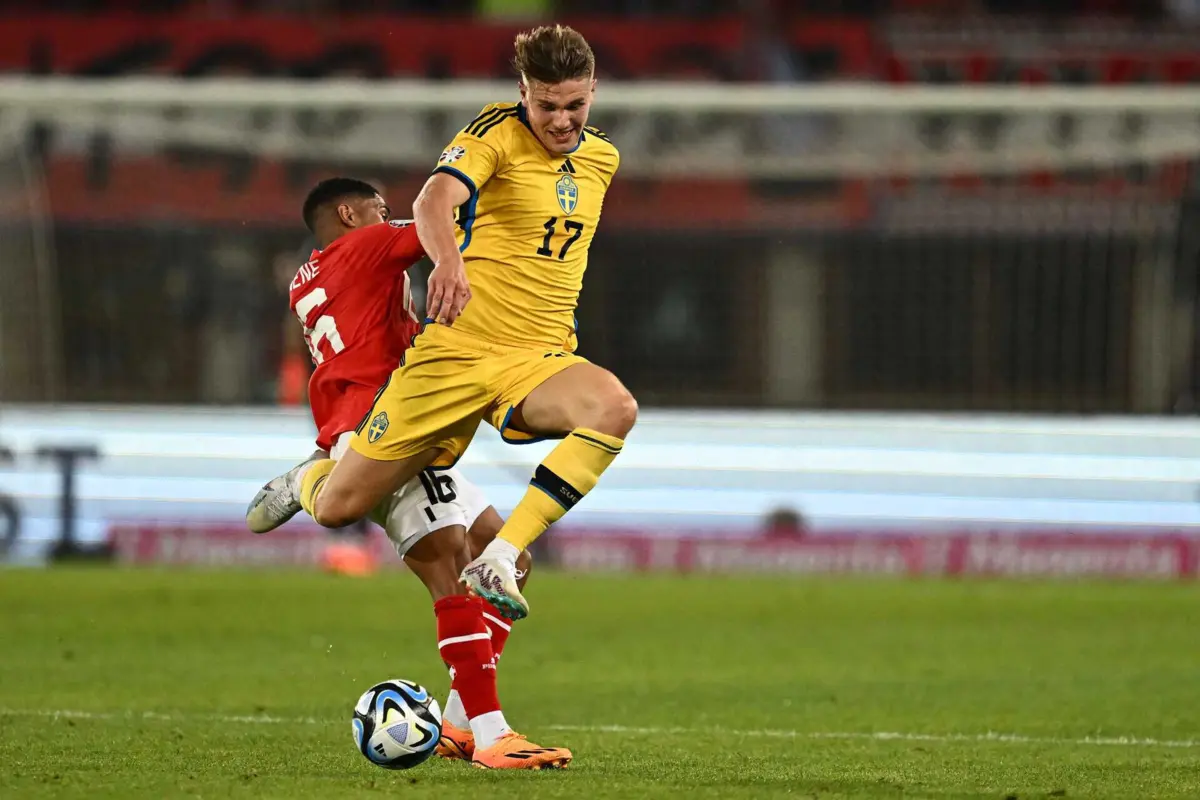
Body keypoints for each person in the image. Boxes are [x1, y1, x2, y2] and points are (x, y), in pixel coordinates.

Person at [248, 24, 636, 624]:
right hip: (454, 354)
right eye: (547, 105)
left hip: (536, 358)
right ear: (523, 93)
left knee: (614, 409)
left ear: (594, 92)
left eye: (575, 105)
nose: (562, 121)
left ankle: (499, 563)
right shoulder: (493, 133)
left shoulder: (601, 158)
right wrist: (449, 264)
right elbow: (433, 202)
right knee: (339, 508)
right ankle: (307, 480)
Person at [249, 177, 570, 770]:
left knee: (509, 561)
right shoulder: (363, 247)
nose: (389, 217)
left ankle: (455, 724)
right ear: (349, 214)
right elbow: (438, 228)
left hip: (387, 427)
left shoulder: (309, 275)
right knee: (452, 569)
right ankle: (494, 735)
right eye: (380, 209)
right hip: (389, 430)